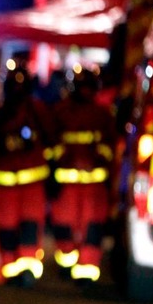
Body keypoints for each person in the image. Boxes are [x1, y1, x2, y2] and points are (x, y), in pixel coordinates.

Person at [0, 66, 55, 287]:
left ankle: (25, 269)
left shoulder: (36, 110)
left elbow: (51, 139)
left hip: (30, 184)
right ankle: (11, 267)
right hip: (9, 185)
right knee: (8, 226)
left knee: (29, 225)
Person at [50, 68, 117, 285]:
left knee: (92, 228)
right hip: (67, 184)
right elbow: (52, 144)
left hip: (94, 186)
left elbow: (110, 146)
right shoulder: (60, 112)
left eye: (90, 88)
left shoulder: (103, 114)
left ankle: (86, 271)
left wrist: (96, 160)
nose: (86, 92)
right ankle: (66, 263)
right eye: (83, 87)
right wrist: (65, 160)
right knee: (63, 227)